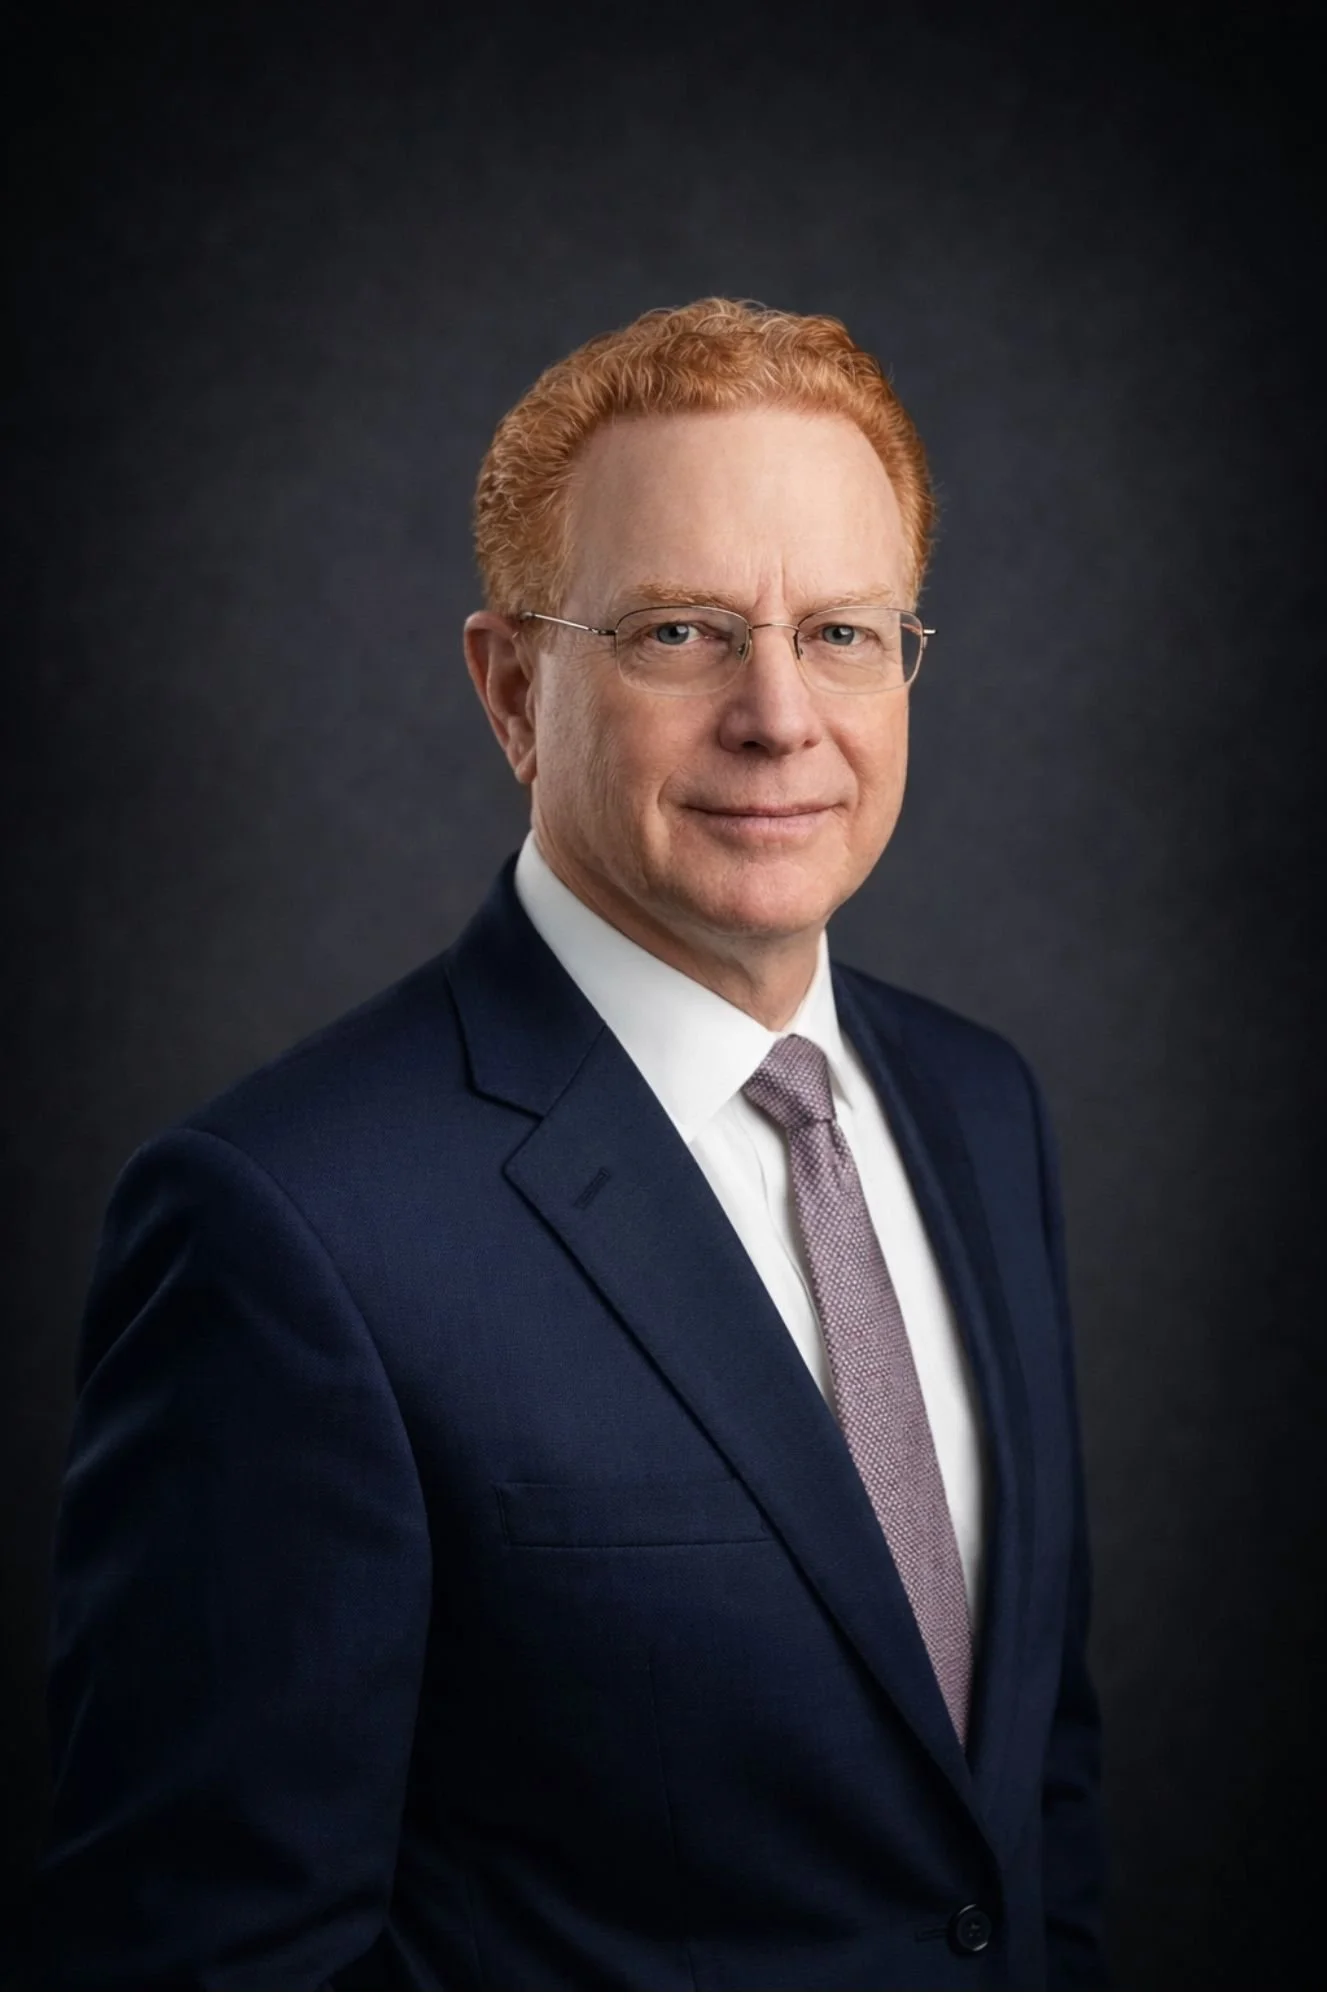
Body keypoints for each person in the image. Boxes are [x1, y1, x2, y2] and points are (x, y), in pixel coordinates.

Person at [32, 298, 1106, 1989]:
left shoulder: (980, 1109)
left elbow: (1021, 1804)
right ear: (512, 687)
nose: (777, 714)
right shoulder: (289, 1227)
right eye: (679, 633)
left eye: (839, 632)